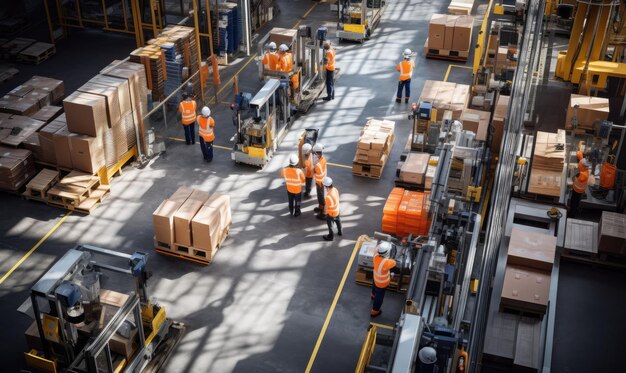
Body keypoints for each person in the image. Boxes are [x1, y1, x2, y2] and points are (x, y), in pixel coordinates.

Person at [371, 242, 396, 317]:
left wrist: (380, 246)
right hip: (382, 283)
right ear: (387, 252)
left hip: (376, 278)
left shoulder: (375, 256)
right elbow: (394, 262)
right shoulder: (387, 262)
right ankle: (375, 311)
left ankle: (373, 295)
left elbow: (376, 249)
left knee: (374, 287)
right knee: (380, 295)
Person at [312, 143, 327, 218]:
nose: (314, 154)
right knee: (320, 195)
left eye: (315, 153)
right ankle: (321, 207)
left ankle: (323, 212)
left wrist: (313, 169)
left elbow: (315, 171)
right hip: (322, 180)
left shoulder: (317, 165)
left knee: (320, 196)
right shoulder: (323, 158)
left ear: (317, 153)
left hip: (319, 182)